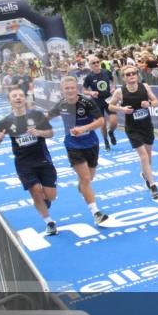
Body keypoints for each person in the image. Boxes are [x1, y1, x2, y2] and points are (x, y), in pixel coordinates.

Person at [0, 86, 58, 235]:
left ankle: (44, 201)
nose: (18, 98)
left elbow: (51, 133)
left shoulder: (37, 115)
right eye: (14, 96)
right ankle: (49, 222)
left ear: (25, 98)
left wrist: (39, 132)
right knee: (35, 191)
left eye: (20, 95)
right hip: (24, 164)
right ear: (10, 100)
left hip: (43, 160)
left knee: (51, 196)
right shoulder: (5, 122)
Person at [46, 76, 109, 226]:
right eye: (66, 88)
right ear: (62, 90)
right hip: (73, 146)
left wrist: (83, 128)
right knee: (86, 179)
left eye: (72, 88)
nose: (69, 91)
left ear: (77, 89)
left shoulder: (87, 102)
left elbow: (101, 121)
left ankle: (82, 186)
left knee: (88, 179)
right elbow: (47, 117)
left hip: (91, 144)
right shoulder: (60, 105)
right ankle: (96, 213)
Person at [108, 65, 158, 199]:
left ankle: (145, 174)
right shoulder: (120, 92)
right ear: (124, 78)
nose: (131, 75)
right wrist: (122, 109)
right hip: (132, 128)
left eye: (133, 73)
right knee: (143, 155)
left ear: (137, 75)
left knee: (148, 155)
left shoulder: (145, 87)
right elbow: (109, 105)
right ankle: (153, 185)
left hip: (146, 126)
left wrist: (148, 104)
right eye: (128, 74)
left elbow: (156, 102)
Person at [82, 55, 118, 150]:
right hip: (97, 102)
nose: (96, 64)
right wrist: (91, 92)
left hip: (109, 99)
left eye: (98, 62)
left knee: (114, 121)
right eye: (93, 63)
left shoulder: (106, 72)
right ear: (90, 65)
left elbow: (113, 79)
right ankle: (106, 140)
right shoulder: (89, 77)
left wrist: (113, 87)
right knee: (103, 123)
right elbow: (84, 90)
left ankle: (111, 132)